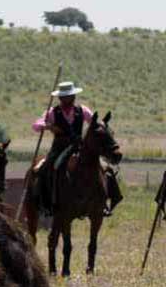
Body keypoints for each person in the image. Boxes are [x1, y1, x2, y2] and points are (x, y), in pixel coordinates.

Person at [32, 81, 122, 216]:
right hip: (59, 148)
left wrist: (102, 125)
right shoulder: (53, 112)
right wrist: (49, 126)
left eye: (70, 96)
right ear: (60, 98)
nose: (67, 99)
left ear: (74, 96)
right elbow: (36, 125)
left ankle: (104, 203)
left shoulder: (82, 110)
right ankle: (46, 204)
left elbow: (94, 123)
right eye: (64, 96)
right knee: (45, 169)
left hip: (79, 147)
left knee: (105, 168)